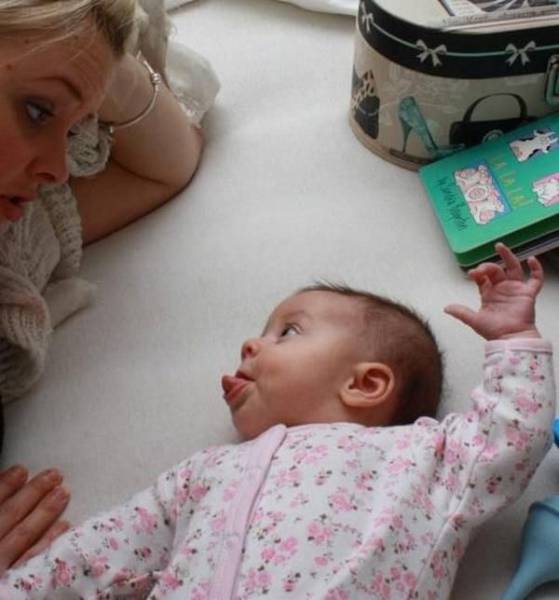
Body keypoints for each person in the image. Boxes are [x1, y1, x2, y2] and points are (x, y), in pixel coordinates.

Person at [0, 243, 554, 598]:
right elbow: (102, 549)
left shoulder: (423, 457)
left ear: (365, 384)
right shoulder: (202, 473)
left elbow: (508, 436)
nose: (250, 343)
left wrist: (512, 338)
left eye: (287, 331)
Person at [0, 0, 218, 575]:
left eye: (75, 128)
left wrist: (102, 51)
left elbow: (166, 164)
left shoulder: (17, 234)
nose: (57, 168)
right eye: (36, 111)